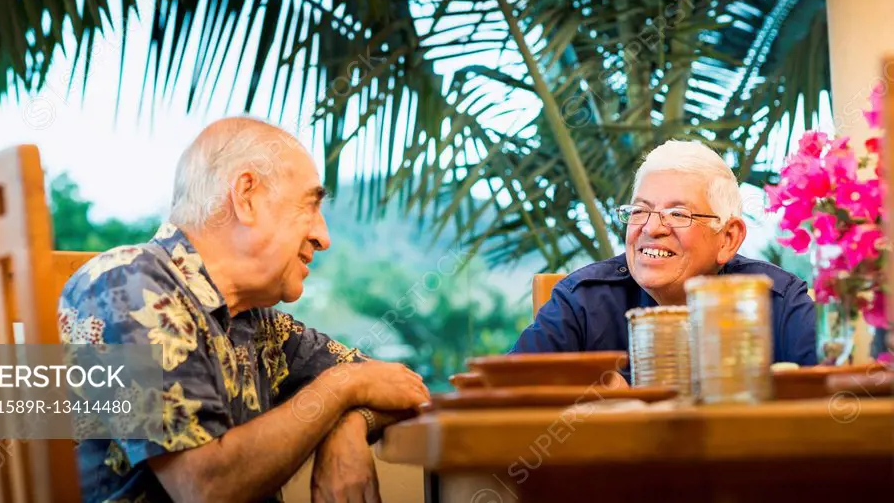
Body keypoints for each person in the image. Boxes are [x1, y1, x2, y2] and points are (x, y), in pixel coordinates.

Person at [58, 117, 430, 503]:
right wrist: (341, 388)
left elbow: (400, 388)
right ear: (246, 196)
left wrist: (348, 425)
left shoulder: (260, 325)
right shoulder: (128, 284)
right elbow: (204, 489)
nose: (324, 237)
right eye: (310, 205)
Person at [512, 139, 817, 371]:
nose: (651, 227)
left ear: (728, 238)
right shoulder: (582, 302)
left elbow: (829, 400)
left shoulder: (777, 302)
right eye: (639, 210)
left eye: (677, 213)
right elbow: (505, 398)